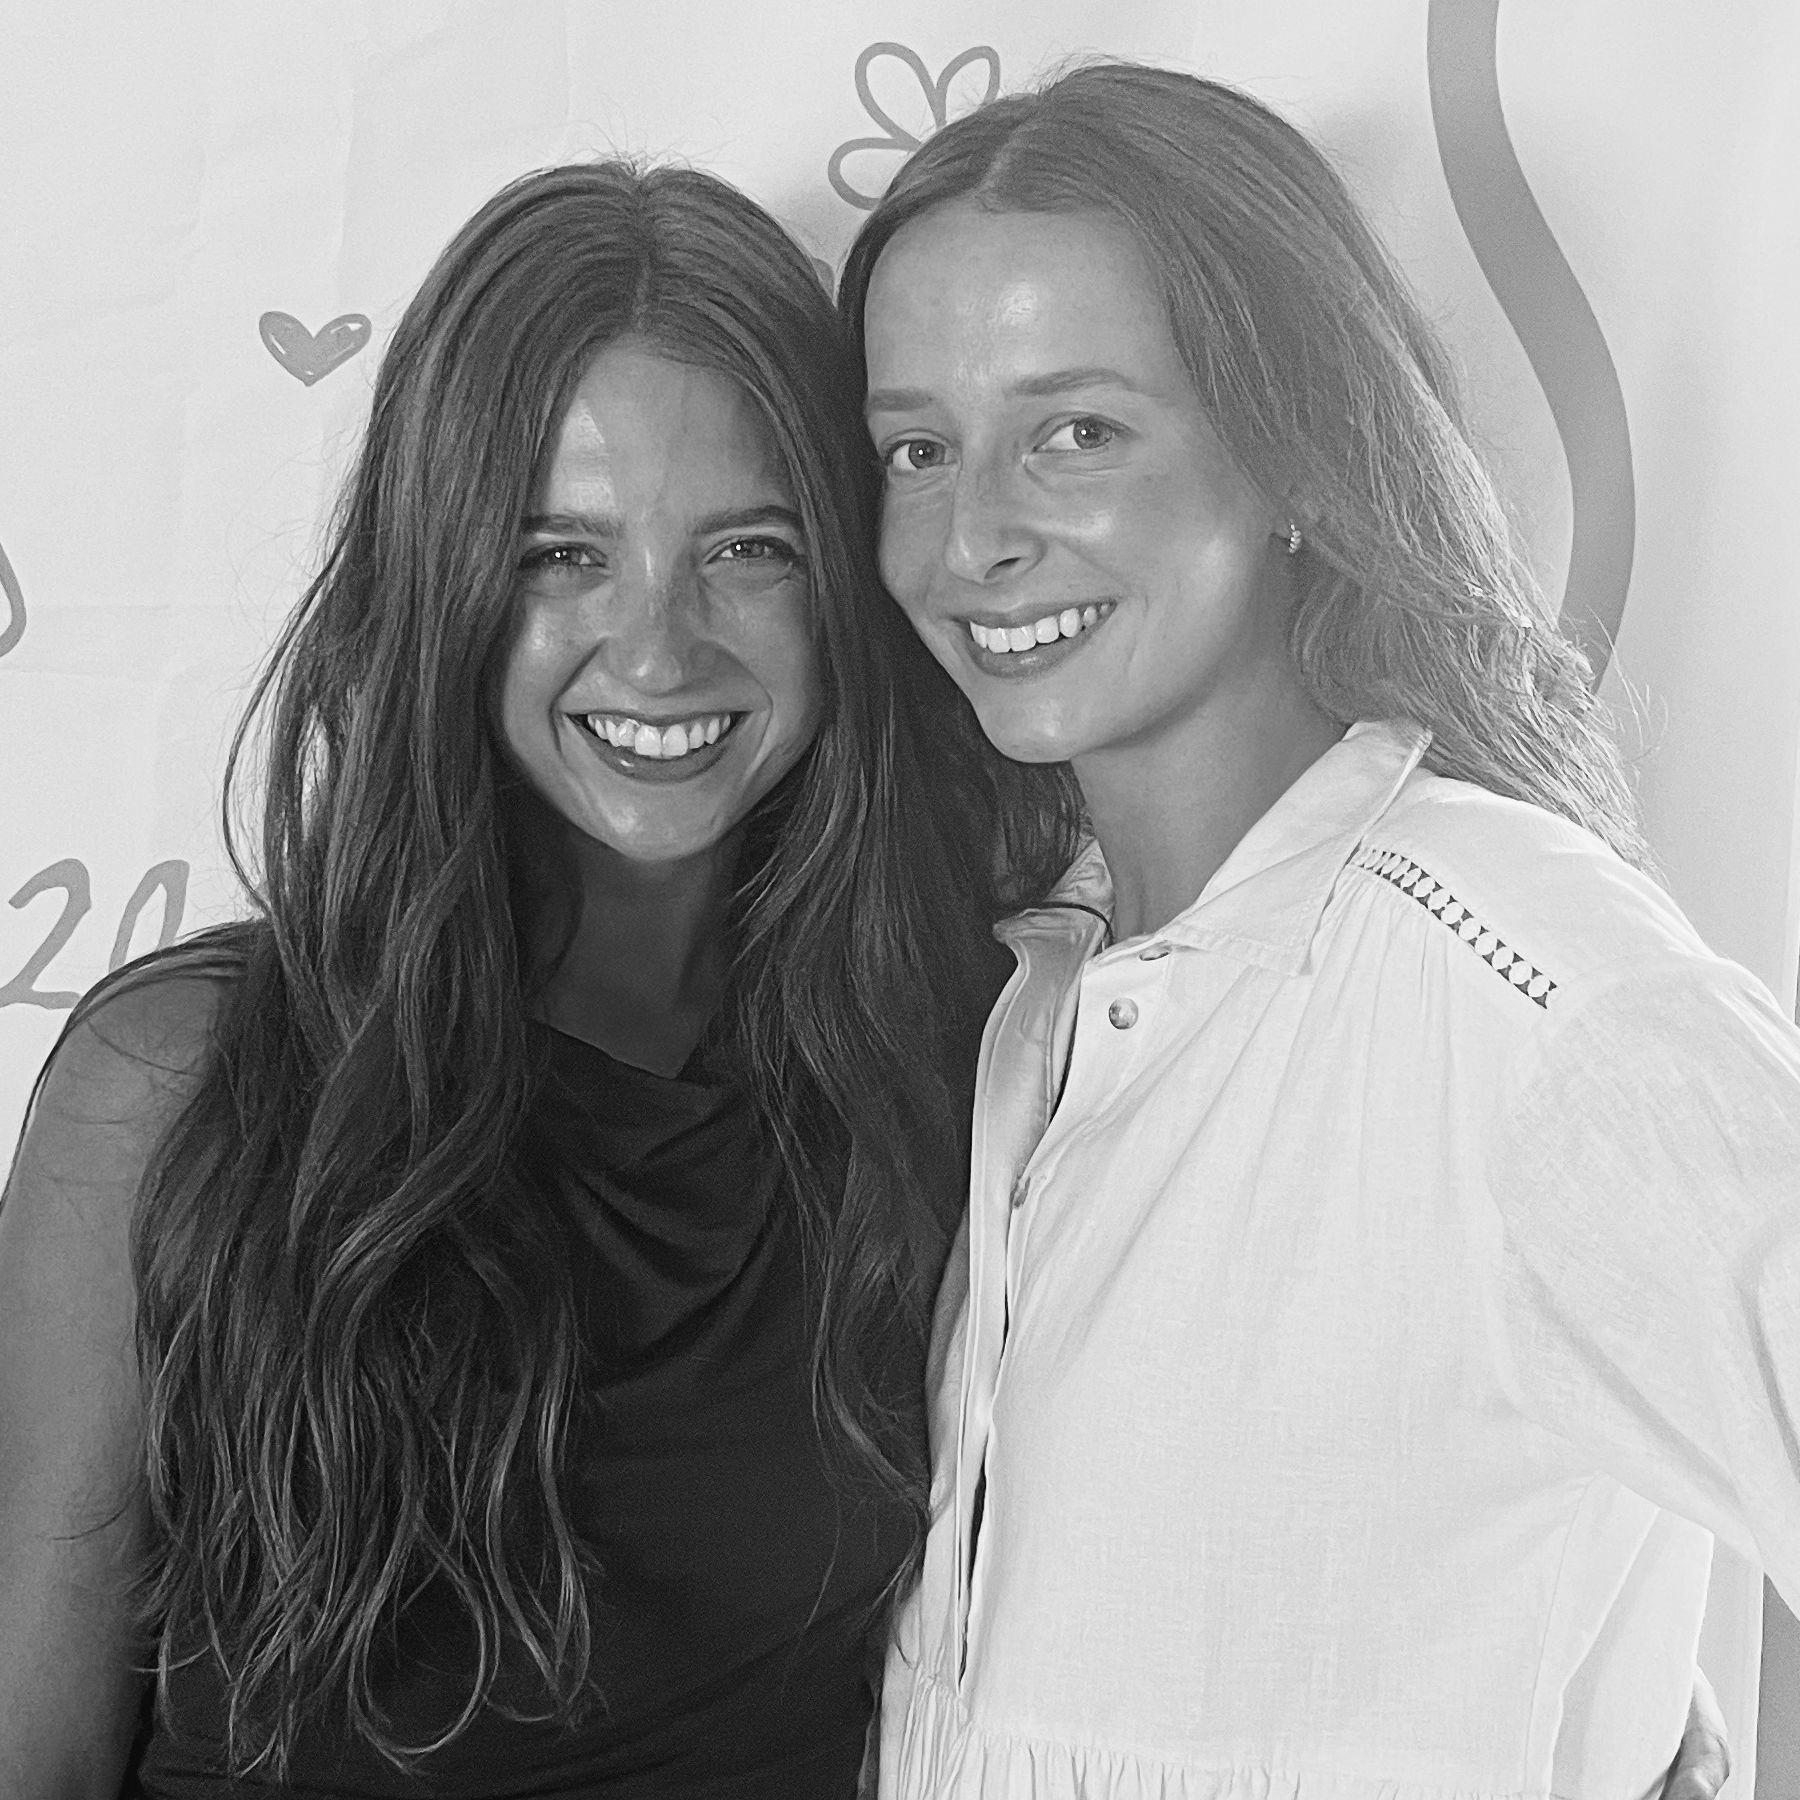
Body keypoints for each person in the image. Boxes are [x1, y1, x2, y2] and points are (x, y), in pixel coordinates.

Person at [0, 160, 1036, 1796]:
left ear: (844, 581)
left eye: (747, 548)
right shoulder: (174, 1084)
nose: (658, 647)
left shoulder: (966, 1064)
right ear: (442, 583)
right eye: (561, 554)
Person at [840, 61, 1799, 1800]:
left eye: (1077, 431)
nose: (971, 537)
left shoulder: (1533, 993)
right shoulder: (1032, 1001)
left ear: (1291, 450)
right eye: (919, 449)